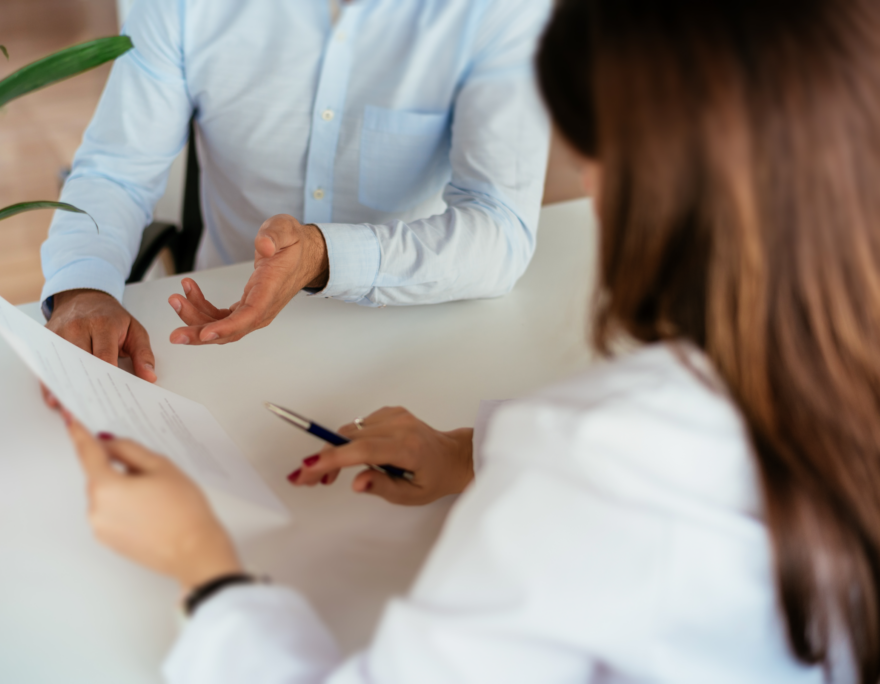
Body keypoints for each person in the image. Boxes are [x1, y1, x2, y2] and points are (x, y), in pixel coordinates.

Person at [65, 0, 880, 680]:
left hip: (405, 334)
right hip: (241, 352)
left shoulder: (592, 468)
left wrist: (201, 565)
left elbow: (499, 228)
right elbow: (114, 165)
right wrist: (471, 452)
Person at [41, 0, 553, 382]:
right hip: (218, 337)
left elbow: (500, 224)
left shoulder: (502, 10)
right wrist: (83, 287)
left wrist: (323, 257)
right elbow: (116, 169)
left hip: (416, 326)